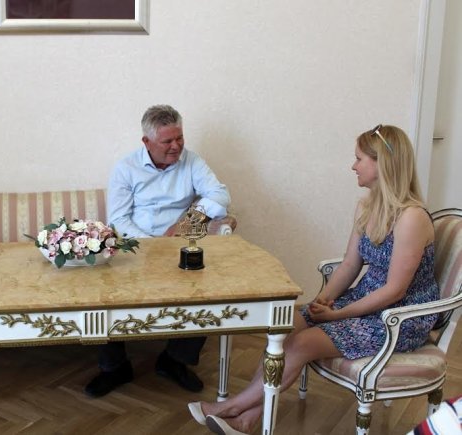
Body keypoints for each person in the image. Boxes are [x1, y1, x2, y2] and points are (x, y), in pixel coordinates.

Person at [188, 124, 440, 434]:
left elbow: (395, 290)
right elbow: (350, 265)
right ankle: (246, 420)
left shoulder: (412, 217)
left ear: (382, 164)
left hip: (399, 318)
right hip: (365, 301)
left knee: (303, 343)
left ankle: (233, 407)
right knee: (287, 325)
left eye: (359, 159)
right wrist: (323, 301)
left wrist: (337, 315)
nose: (353, 166)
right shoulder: (366, 207)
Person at [84, 104, 231, 398]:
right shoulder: (126, 168)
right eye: (167, 141)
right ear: (146, 142)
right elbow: (119, 220)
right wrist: (151, 245)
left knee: (206, 291)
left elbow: (220, 196)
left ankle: (174, 361)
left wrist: (185, 224)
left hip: (178, 246)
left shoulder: (192, 162)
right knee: (102, 294)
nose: (176, 146)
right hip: (134, 249)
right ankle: (115, 368)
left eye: (180, 138)